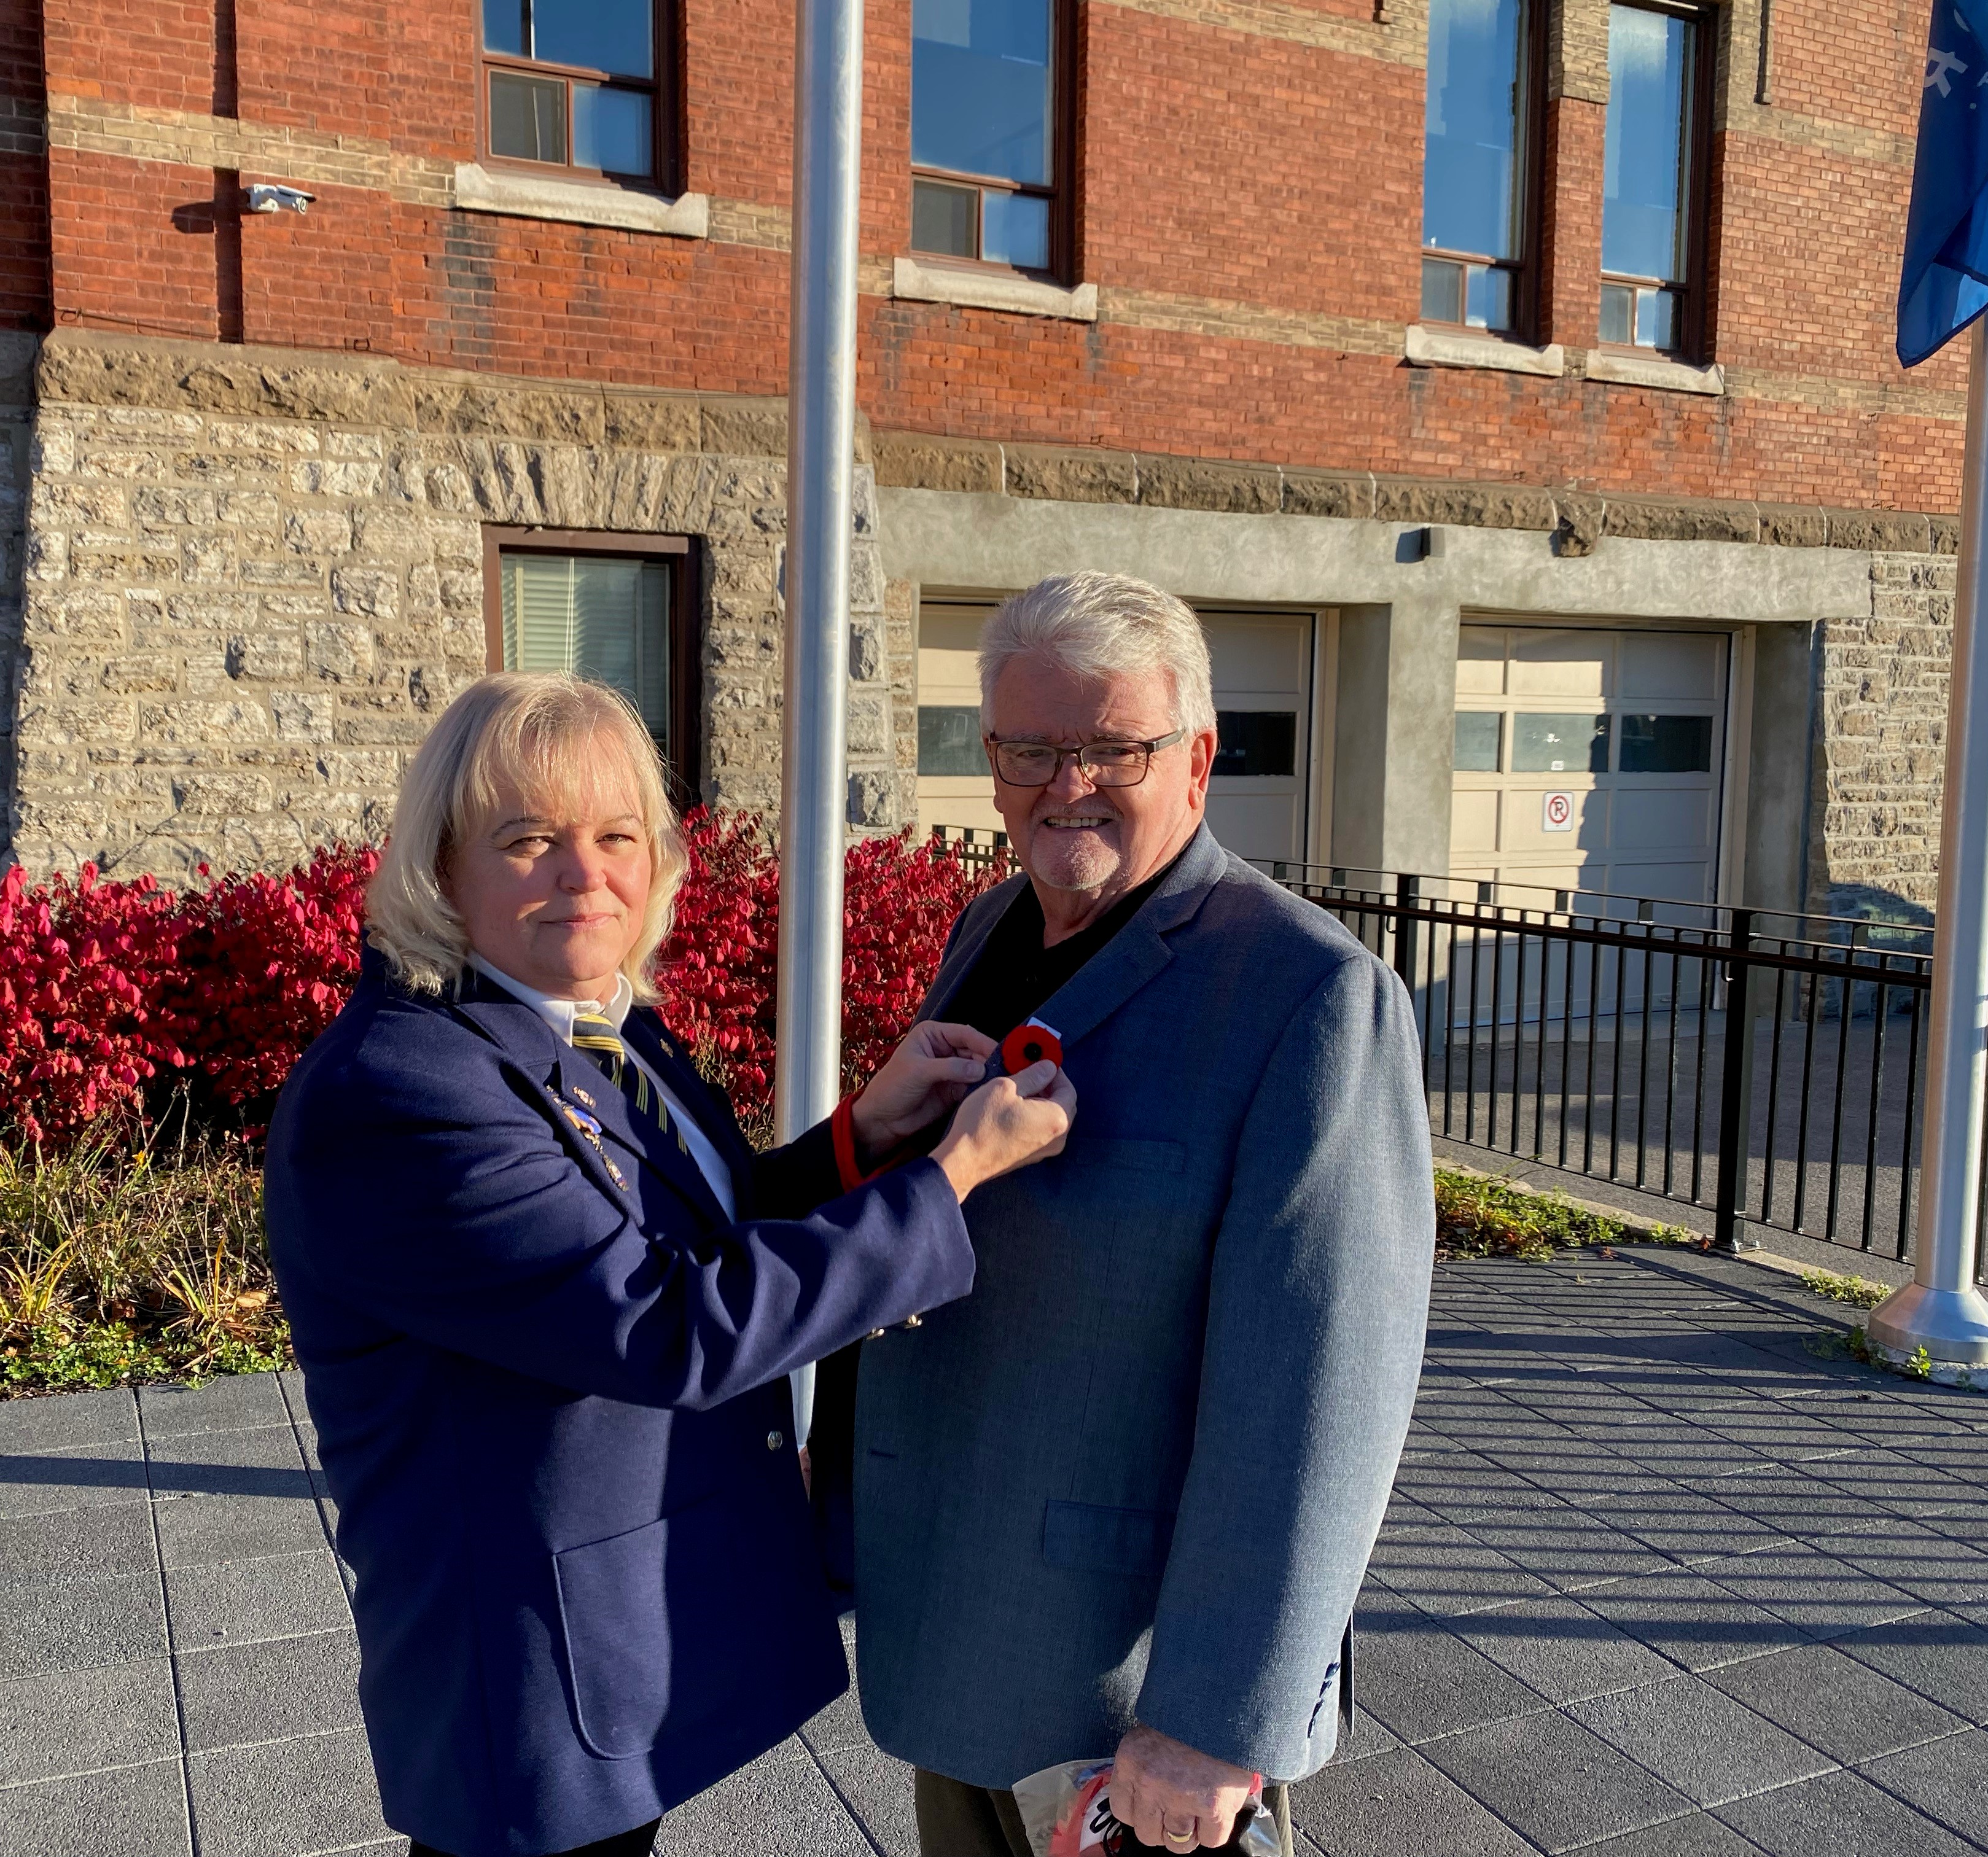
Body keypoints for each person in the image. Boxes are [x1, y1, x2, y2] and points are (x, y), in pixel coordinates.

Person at [265, 671, 1075, 1857]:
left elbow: (694, 1223)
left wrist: (867, 1139)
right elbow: (666, 1324)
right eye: (529, 840)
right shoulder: (401, 1094)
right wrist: (948, 1180)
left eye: (616, 837)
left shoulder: (596, 1017)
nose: (583, 876)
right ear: (441, 867)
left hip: (620, 1625)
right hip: (530, 1672)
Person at [836, 573, 1435, 1855]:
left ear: (1199, 757)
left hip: (1134, 1706)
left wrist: (1219, 1717)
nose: (1067, 786)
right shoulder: (990, 926)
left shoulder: (1309, 994)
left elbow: (1322, 1396)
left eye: (1112, 747)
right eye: (1030, 749)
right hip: (961, 1630)